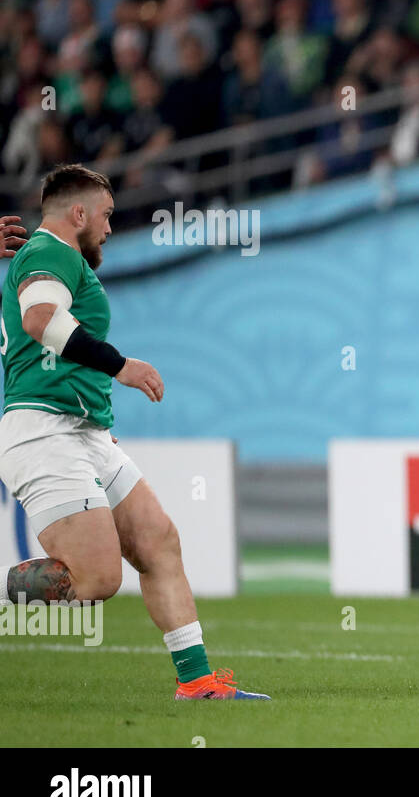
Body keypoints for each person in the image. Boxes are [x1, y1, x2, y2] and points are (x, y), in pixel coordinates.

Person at [0, 166, 268, 700]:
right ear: (78, 214)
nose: (109, 227)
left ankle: (197, 683)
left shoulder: (56, 255)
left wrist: (96, 414)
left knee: (158, 542)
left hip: (82, 431)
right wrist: (119, 366)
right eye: (105, 215)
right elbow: (41, 321)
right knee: (97, 579)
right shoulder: (50, 250)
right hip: (44, 430)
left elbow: (55, 342)